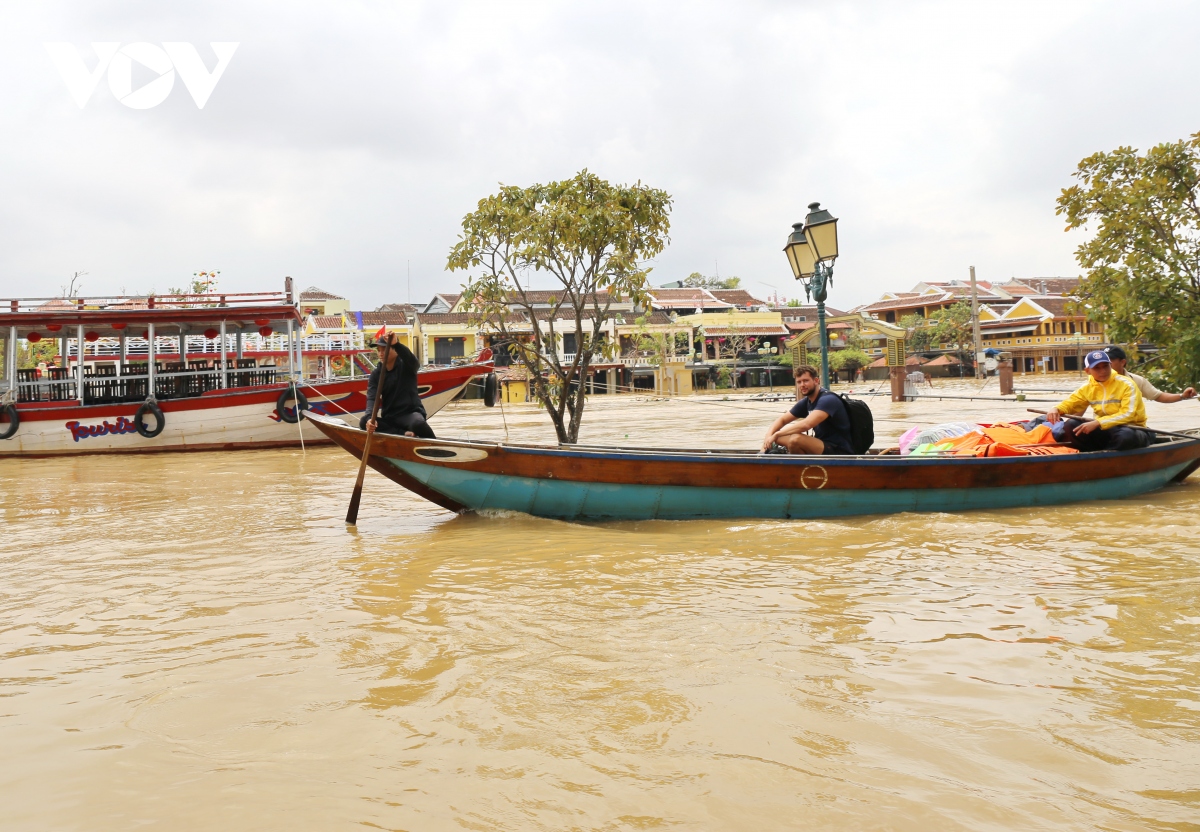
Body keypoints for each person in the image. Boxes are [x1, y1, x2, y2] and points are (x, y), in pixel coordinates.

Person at [1045, 350, 1152, 451]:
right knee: (1071, 425)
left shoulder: (1127, 384)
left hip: (1133, 428)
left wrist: (1098, 422)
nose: (1103, 371)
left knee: (1125, 436)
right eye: (1097, 368)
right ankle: (1089, 454)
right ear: (1087, 371)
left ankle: (1108, 457)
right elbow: (1071, 403)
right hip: (1105, 429)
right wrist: (1056, 409)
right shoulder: (1087, 387)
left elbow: (1128, 414)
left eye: (1106, 366)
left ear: (1110, 365)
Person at [761, 364, 854, 455]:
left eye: (806, 381)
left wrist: (777, 434)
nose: (802, 385)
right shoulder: (806, 402)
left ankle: (801, 468)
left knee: (795, 439)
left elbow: (806, 424)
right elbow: (782, 420)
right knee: (775, 437)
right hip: (820, 444)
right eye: (799, 382)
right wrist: (767, 440)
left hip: (838, 450)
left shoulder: (828, 399)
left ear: (816, 381)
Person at [360, 334, 435, 439]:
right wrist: (369, 419)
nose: (381, 354)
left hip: (409, 415)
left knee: (418, 424)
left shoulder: (406, 366)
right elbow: (372, 398)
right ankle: (403, 434)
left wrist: (397, 344)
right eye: (379, 350)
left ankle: (436, 447)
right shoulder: (376, 374)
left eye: (384, 350)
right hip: (390, 418)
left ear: (395, 350)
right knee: (364, 422)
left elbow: (414, 363)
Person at [1105, 345, 1196, 403]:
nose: (1106, 364)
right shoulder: (1093, 381)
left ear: (1122, 362)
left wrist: (1182, 396)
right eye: (1103, 361)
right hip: (1102, 425)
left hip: (1130, 426)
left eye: (1110, 360)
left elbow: (1159, 396)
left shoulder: (1136, 380)